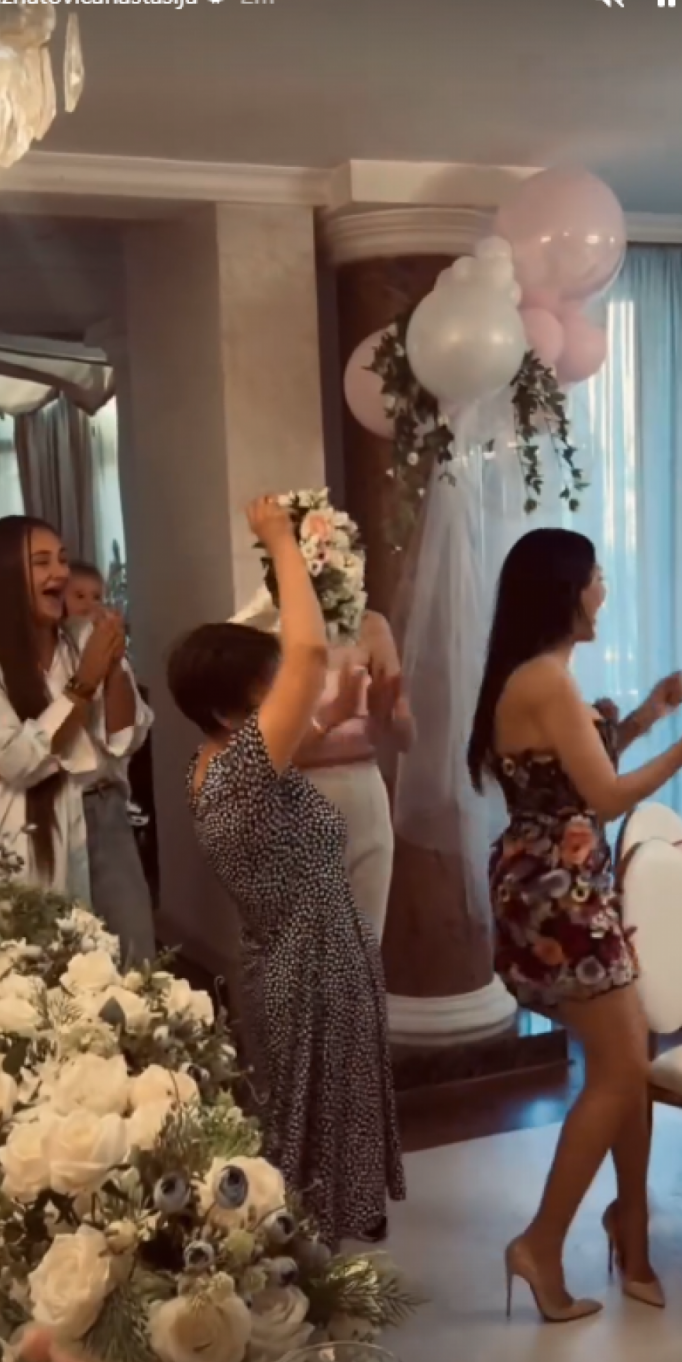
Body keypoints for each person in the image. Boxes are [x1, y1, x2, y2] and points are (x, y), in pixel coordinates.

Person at [467, 528, 682, 1322]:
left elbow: (574, 769)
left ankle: (632, 1228)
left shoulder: (540, 676)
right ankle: (541, 1244)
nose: (603, 588)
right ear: (565, 592)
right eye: (594, 576)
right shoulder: (545, 679)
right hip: (558, 900)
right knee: (621, 1072)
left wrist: (650, 713)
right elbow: (607, 797)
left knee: (626, 1061)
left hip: (562, 887)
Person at [169, 496, 405, 1247]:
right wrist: (281, 541)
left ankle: (323, 1253)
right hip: (307, 967)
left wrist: (337, 715)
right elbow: (306, 653)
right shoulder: (239, 769)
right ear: (235, 707)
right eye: (273, 687)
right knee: (310, 1137)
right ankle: (310, 1269)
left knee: (319, 1124)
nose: (292, 691)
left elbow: (300, 721)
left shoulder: (220, 761)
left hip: (307, 954)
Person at [0, 516, 156, 968]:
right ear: (5, 576)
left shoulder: (83, 638)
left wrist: (113, 666)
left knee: (134, 967)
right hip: (30, 832)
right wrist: (84, 681)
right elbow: (19, 760)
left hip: (106, 817)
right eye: (41, 562)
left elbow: (125, 740)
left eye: (61, 559)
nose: (60, 572)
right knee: (46, 972)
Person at [231, 587, 414, 941]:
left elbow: (406, 739)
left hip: (365, 794)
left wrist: (388, 712)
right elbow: (258, 756)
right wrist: (332, 717)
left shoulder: (371, 625)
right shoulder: (259, 633)